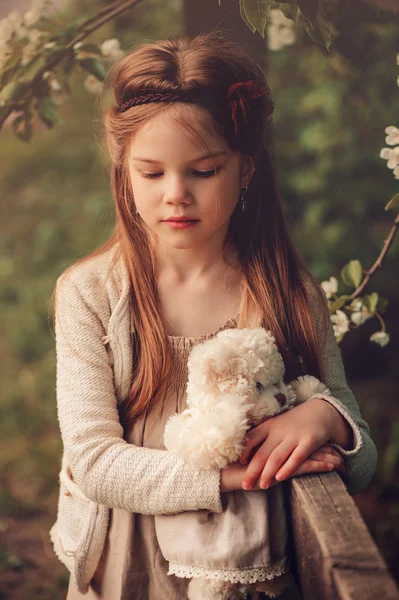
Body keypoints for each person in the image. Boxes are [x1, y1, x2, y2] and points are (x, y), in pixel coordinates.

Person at [49, 31, 378, 600]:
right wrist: (225, 478)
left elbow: (363, 458)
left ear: (245, 168)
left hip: (248, 565)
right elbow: (94, 459)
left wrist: (326, 419)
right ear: (124, 170)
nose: (176, 194)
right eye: (151, 173)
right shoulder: (89, 293)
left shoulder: (286, 292)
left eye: (203, 171)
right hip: (129, 559)